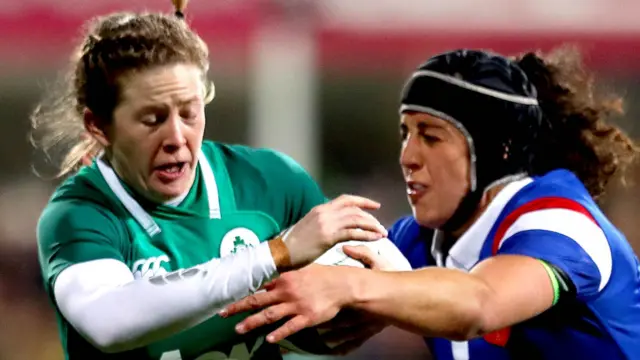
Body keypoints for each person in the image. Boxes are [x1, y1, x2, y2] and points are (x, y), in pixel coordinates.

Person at [221, 47, 640, 359]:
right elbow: (316, 321)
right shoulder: (416, 241)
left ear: (498, 150)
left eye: (431, 136)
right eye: (406, 132)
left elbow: (480, 303)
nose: (407, 156)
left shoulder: (561, 223)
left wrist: (352, 286)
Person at [31, 1, 389, 359]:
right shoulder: (79, 215)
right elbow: (108, 321)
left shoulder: (270, 181)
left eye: (189, 112)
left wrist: (365, 296)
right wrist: (277, 253)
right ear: (98, 125)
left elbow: (394, 274)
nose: (176, 136)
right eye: (152, 119)